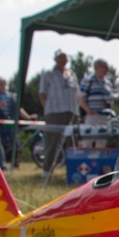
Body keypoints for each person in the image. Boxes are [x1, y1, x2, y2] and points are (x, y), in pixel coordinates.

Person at [39, 49, 79, 177]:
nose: (63, 59)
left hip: (72, 111)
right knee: (53, 141)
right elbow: (42, 94)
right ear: (55, 59)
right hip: (54, 112)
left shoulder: (72, 74)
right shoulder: (48, 74)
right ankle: (47, 169)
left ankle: (73, 169)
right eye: (60, 57)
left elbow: (78, 94)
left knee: (72, 142)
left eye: (65, 57)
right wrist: (48, 109)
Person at [0, 77, 35, 167]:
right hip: (0, 124)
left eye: (4, 83)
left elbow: (18, 109)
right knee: (1, 144)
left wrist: (28, 117)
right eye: (1, 83)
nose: (3, 85)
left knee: (16, 143)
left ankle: (16, 162)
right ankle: (2, 163)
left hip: (11, 124)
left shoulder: (12, 96)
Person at [78, 58, 113, 148]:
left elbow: (111, 98)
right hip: (93, 116)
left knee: (101, 143)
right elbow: (81, 97)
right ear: (97, 67)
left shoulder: (108, 82)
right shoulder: (88, 80)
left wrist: (110, 110)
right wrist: (88, 111)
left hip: (105, 117)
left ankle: (99, 162)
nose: (107, 70)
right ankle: (86, 161)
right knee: (88, 141)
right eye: (105, 67)